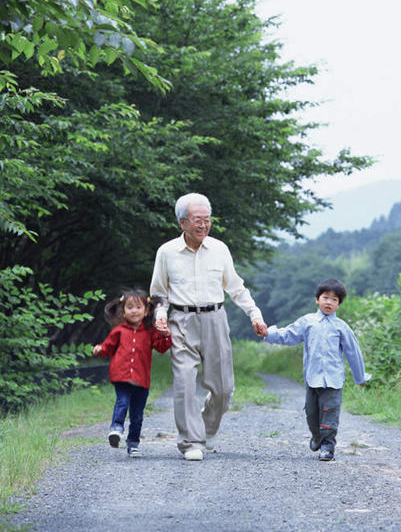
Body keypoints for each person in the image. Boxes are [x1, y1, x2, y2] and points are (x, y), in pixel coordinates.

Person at [150, 193, 267, 461]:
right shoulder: (166, 252)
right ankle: (190, 442)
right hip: (181, 321)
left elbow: (236, 287)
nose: (203, 225)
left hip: (215, 318)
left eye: (207, 219)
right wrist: (160, 314)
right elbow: (158, 292)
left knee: (223, 388)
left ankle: (207, 428)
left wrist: (254, 314)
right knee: (184, 384)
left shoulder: (219, 249)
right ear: (182, 223)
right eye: (197, 220)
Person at [261, 278, 370, 461]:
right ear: (317, 299)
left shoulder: (341, 327)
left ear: (339, 304)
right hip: (312, 378)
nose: (329, 302)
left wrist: (360, 377)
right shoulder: (308, 322)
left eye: (334, 299)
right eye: (325, 297)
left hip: (333, 380)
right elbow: (289, 334)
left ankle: (328, 446)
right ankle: (317, 436)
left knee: (330, 412)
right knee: (312, 414)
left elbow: (353, 352)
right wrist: (268, 334)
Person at [93, 289, 172, 458]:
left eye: (138, 307)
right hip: (121, 377)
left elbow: (161, 348)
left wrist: (166, 335)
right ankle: (116, 429)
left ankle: (133, 443)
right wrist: (100, 349)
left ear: (146, 311)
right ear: (123, 312)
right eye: (129, 307)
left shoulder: (150, 332)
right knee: (122, 402)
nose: (134, 311)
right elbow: (108, 348)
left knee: (137, 415)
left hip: (141, 380)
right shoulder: (119, 331)